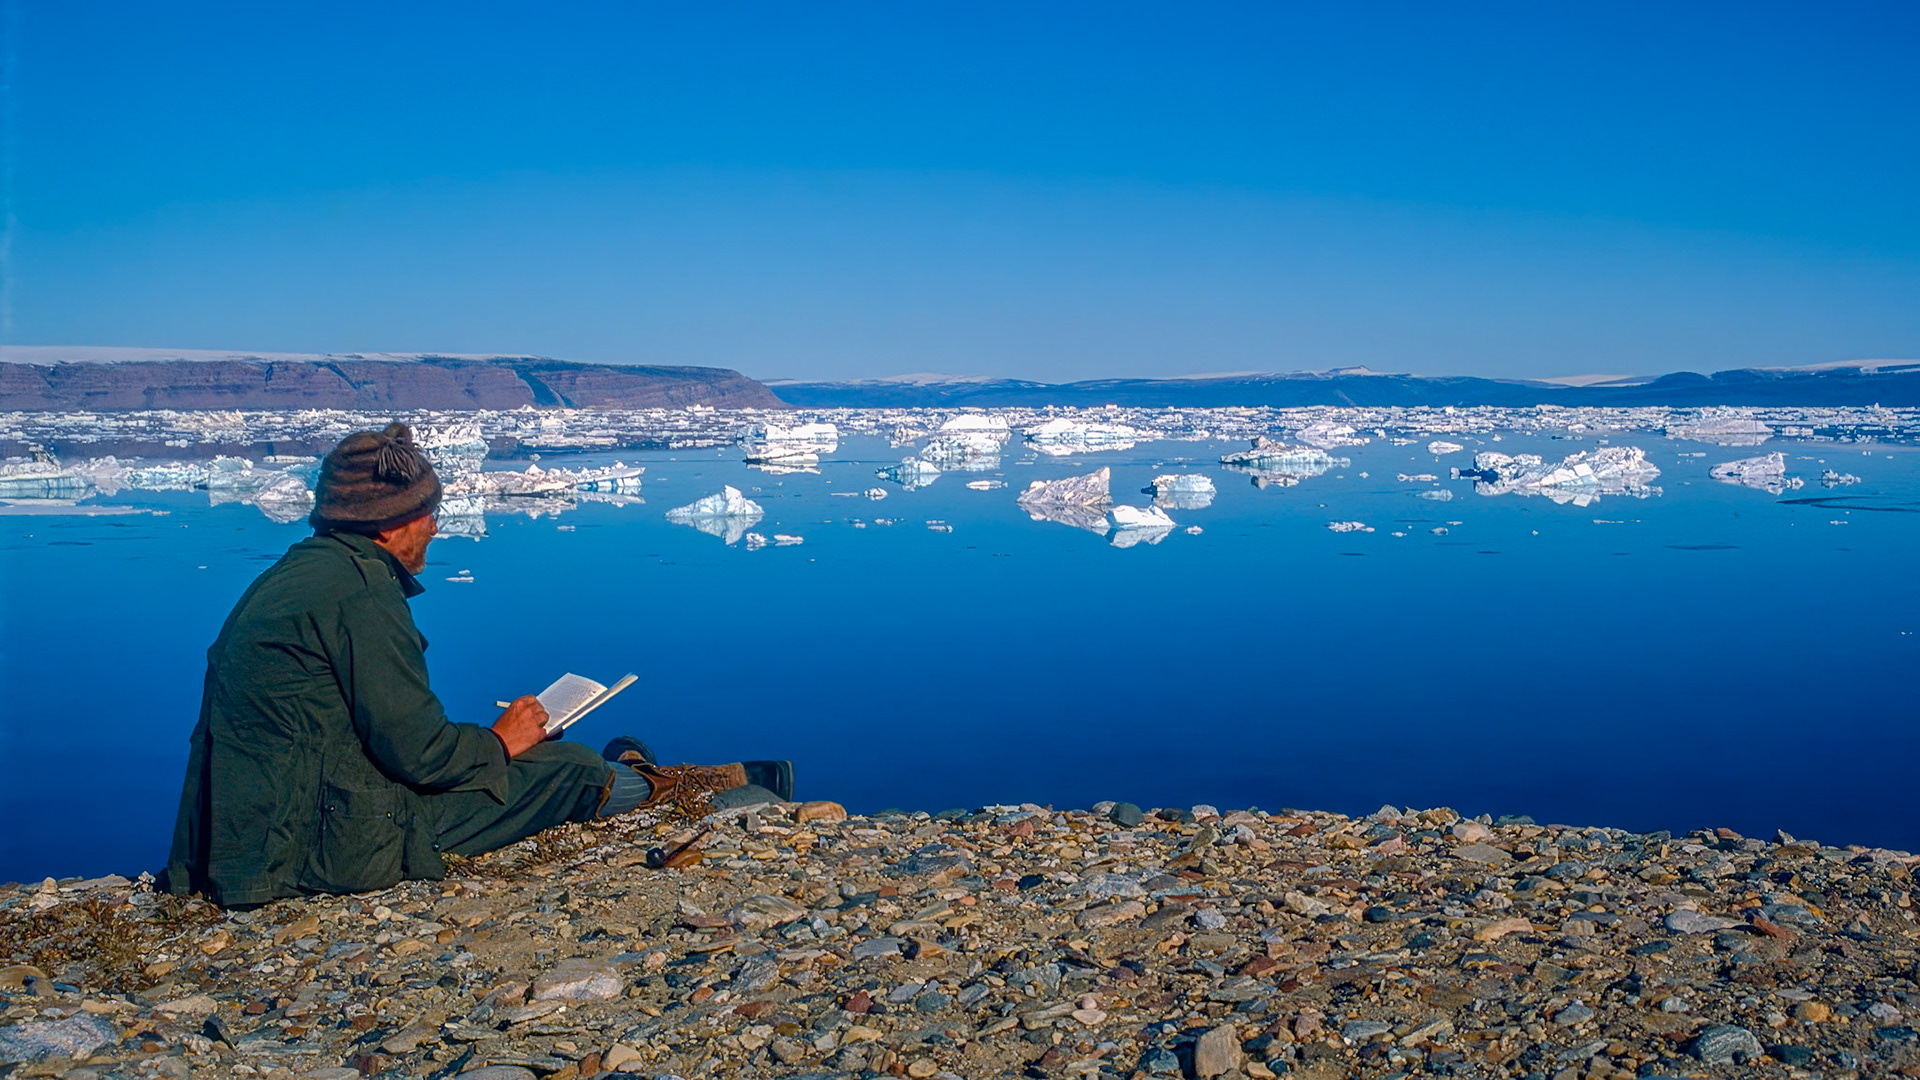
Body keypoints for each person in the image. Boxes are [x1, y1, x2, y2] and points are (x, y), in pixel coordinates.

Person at [163, 423, 791, 907]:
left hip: (252, 840)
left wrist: (504, 743)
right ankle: (679, 792)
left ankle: (639, 775)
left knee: (529, 752)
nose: (436, 528)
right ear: (388, 524)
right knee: (566, 768)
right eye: (427, 513)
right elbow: (420, 754)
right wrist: (502, 740)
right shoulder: (359, 592)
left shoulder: (303, 573)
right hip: (321, 847)